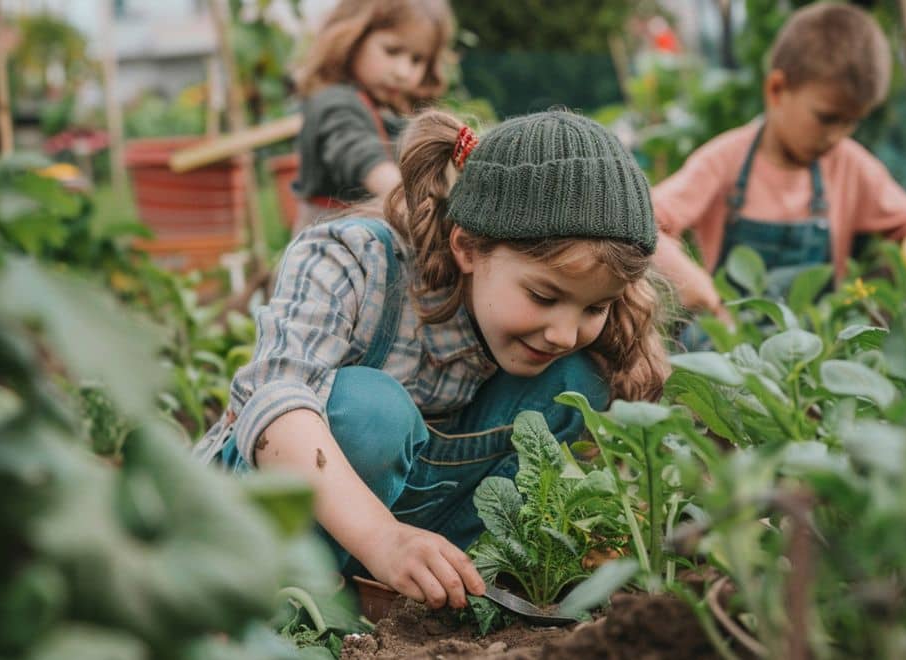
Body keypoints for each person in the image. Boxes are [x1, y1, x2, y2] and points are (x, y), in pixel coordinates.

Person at [193, 110, 671, 610]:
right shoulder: (353, 260)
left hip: (398, 538)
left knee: (576, 384)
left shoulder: (549, 339)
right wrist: (382, 539)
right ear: (467, 247)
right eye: (543, 296)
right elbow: (273, 401)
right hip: (264, 523)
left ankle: (432, 588)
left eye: (594, 307)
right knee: (371, 413)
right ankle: (275, 599)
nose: (563, 332)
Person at [650, 2, 906, 319]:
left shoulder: (849, 166)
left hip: (815, 352)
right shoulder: (723, 161)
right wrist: (688, 278)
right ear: (776, 89)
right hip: (730, 349)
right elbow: (644, 222)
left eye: (850, 122)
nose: (836, 135)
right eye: (827, 118)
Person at [290, 0, 454, 231]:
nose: (403, 72)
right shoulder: (335, 102)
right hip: (330, 250)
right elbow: (360, 153)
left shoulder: (384, 108)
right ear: (353, 38)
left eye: (417, 60)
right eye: (392, 51)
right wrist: (416, 210)